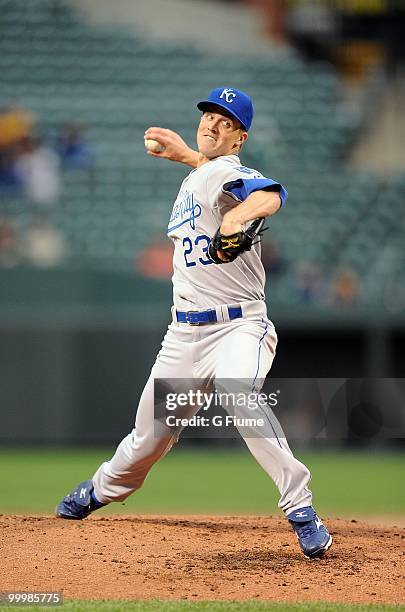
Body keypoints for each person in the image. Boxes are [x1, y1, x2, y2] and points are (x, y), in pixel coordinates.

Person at [56, 87, 332, 559]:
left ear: (239, 138)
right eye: (208, 115)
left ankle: (301, 508)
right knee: (148, 438)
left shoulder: (229, 171)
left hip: (239, 326)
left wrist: (238, 217)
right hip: (184, 335)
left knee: (238, 391)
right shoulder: (203, 172)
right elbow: (211, 175)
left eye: (225, 122)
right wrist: (187, 156)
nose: (212, 124)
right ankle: (101, 489)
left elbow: (270, 195)